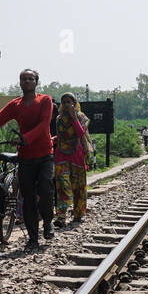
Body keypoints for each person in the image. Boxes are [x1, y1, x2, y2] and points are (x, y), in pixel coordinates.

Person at [0, 68, 57, 250]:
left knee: (45, 190)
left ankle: (47, 222)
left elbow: (44, 124)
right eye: (24, 79)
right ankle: (33, 238)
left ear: (36, 82)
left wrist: (25, 138)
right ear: (20, 83)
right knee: (28, 198)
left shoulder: (45, 100)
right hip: (26, 158)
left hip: (45, 155)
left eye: (31, 78)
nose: (27, 81)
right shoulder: (16, 105)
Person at [52, 92, 92, 227]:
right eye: (64, 102)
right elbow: (62, 135)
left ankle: (78, 214)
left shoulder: (83, 118)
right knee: (62, 184)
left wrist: (74, 118)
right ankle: (61, 216)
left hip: (77, 154)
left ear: (75, 104)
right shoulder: (59, 119)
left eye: (69, 102)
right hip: (61, 154)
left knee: (78, 187)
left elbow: (81, 133)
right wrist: (53, 139)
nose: (67, 105)